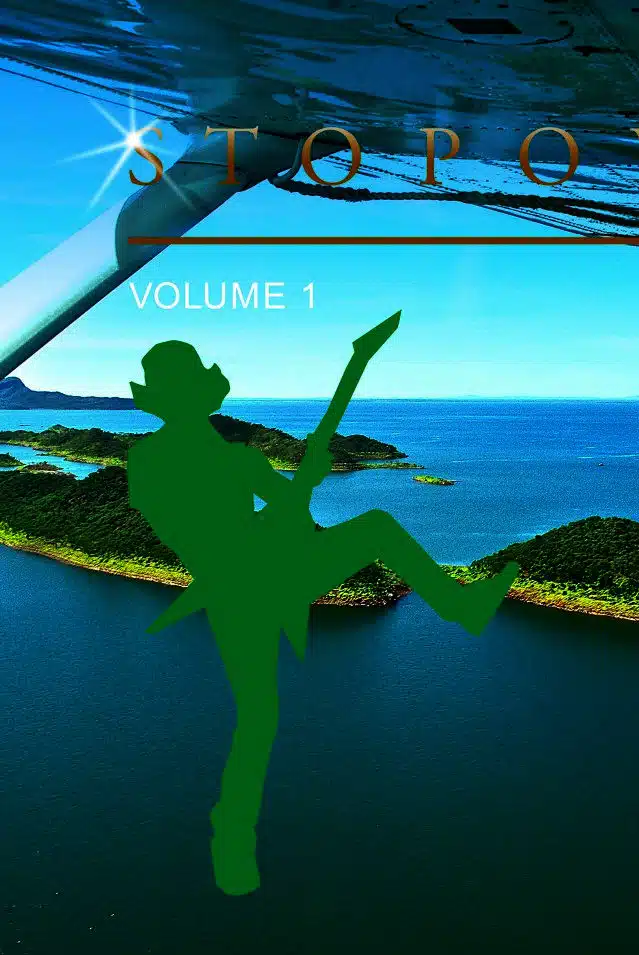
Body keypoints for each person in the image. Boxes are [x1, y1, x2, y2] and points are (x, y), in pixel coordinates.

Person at [126, 335, 518, 895]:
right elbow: (209, 534)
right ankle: (232, 834)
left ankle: (232, 838)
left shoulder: (222, 458)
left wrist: (300, 486)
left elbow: (282, 520)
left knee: (261, 711)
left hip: (257, 578)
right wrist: (293, 490)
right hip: (243, 587)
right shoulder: (170, 460)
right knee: (260, 713)